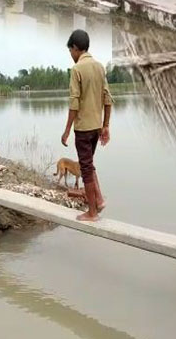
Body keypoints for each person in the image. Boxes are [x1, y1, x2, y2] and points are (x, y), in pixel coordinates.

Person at [62, 29, 113, 222]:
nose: (72, 56)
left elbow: (74, 102)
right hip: (96, 127)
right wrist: (106, 125)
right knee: (89, 164)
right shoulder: (99, 67)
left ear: (75, 48)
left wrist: (66, 130)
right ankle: (99, 200)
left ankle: (92, 212)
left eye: (71, 52)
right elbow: (107, 98)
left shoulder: (77, 70)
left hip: (83, 129)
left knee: (85, 169)